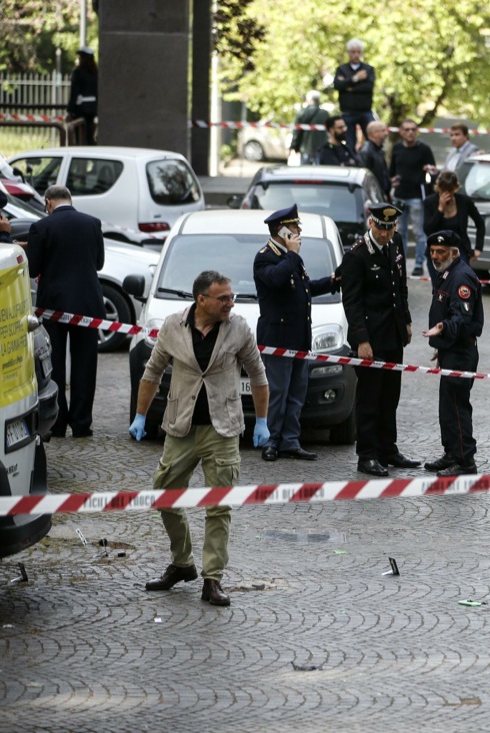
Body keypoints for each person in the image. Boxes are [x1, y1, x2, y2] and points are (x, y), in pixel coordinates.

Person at [130, 270, 271, 608]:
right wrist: (139, 414)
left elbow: (258, 374)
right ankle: (182, 563)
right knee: (163, 495)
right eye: (223, 298)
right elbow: (152, 371)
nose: (230, 303)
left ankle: (213, 579)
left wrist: (263, 420)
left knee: (218, 507)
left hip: (222, 430)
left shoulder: (238, 328)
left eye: (231, 297)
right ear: (201, 300)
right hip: (180, 427)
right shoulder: (172, 326)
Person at [253, 205, 340, 462]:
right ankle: (271, 440)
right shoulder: (266, 257)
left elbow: (304, 289)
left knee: (296, 393)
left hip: (300, 338)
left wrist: (332, 281)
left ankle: (290, 440)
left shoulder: (292, 259)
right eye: (294, 227)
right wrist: (291, 255)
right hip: (277, 339)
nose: (299, 231)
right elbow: (277, 280)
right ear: (282, 231)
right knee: (277, 393)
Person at [341, 203, 419, 477]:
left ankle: (388, 448)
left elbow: (401, 286)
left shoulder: (396, 244)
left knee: (390, 395)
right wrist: (362, 340)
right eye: (381, 227)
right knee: (369, 398)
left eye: (390, 228)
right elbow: (352, 303)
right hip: (371, 340)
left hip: (393, 335)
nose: (385, 234)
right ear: (371, 223)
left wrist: (406, 321)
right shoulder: (356, 256)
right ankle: (367, 455)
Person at [22, 185, 105, 438]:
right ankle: (81, 423)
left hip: (53, 305)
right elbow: (99, 263)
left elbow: (33, 266)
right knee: (85, 366)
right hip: (87, 304)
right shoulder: (92, 223)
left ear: (48, 202)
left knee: (53, 365)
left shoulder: (42, 227)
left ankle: (56, 423)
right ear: (70, 199)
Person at [422, 231, 485, 476]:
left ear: (454, 252)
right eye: (433, 251)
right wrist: (441, 345)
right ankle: (452, 452)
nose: (435, 256)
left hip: (461, 352)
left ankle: (465, 460)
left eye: (441, 252)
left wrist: (443, 329)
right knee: (446, 407)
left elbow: (460, 318)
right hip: (450, 349)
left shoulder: (461, 278)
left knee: (457, 407)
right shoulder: (446, 273)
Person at [389, 119, 436, 276]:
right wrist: (392, 183)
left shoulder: (424, 149)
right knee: (400, 231)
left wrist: (430, 171)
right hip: (400, 196)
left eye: (413, 129)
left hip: (417, 196)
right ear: (401, 132)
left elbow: (433, 171)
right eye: (407, 129)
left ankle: (418, 263)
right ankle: (399, 262)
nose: (410, 132)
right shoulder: (396, 149)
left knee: (419, 232)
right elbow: (392, 171)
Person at [423, 170, 485, 264]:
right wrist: (440, 209)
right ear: (438, 187)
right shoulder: (430, 202)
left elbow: (480, 223)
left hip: (460, 251)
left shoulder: (464, 202)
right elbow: (427, 229)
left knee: (459, 277)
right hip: (437, 252)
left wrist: (478, 248)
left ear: (455, 188)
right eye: (443, 190)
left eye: (450, 190)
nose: (446, 194)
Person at [333, 39, 376, 152]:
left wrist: (348, 86)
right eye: (353, 52)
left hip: (365, 110)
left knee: (373, 140)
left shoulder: (368, 69)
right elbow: (338, 85)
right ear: (348, 53)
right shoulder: (342, 69)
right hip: (348, 111)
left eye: (358, 52)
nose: (356, 55)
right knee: (349, 142)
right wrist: (356, 78)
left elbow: (368, 87)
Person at [67, 46, 97, 145]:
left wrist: (70, 110)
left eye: (81, 57)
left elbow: (74, 93)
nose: (79, 59)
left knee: (79, 136)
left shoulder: (78, 73)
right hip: (93, 110)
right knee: (89, 135)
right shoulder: (96, 73)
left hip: (80, 109)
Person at [289, 90, 329, 165]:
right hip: (320, 148)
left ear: (309, 100)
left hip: (305, 148)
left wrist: (294, 146)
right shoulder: (324, 114)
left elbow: (297, 132)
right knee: (319, 171)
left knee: (304, 171)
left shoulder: (302, 113)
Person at [358, 120, 391, 198]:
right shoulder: (366, 152)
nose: (386, 133)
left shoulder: (378, 150)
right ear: (374, 133)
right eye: (383, 130)